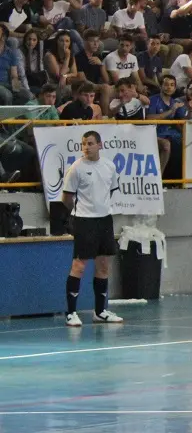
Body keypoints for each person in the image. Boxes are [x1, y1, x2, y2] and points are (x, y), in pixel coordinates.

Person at [62, 131, 124, 327]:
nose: (86, 147)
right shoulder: (76, 168)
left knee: (103, 265)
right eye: (84, 144)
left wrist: (100, 209)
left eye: (90, 143)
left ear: (100, 145)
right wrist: (79, 213)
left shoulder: (109, 167)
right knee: (79, 266)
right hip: (84, 221)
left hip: (104, 221)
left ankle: (100, 311)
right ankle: (71, 313)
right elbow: (67, 198)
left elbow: (109, 191)